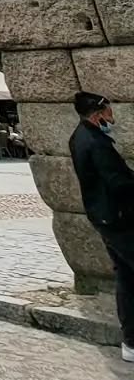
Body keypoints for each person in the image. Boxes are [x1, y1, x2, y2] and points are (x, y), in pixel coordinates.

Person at [70, 92, 134, 363]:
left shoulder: (78, 137)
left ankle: (131, 342)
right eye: (109, 112)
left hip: (104, 218)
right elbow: (118, 183)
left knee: (127, 278)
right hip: (119, 219)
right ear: (98, 115)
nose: (112, 117)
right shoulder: (96, 143)